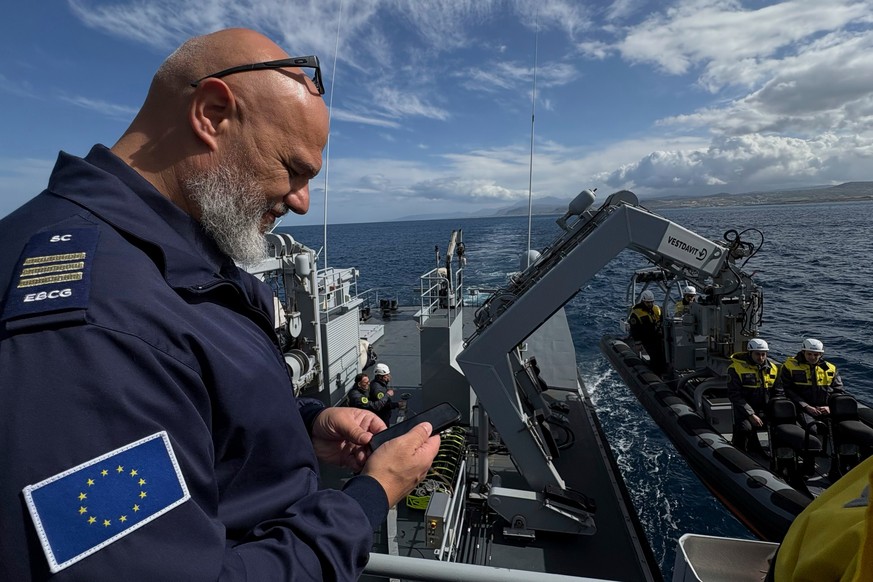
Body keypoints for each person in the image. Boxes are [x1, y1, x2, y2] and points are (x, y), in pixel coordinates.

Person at [0, 28, 440, 581]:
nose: (302, 202)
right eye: (294, 168)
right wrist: (371, 496)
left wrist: (301, 423)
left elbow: (187, 418)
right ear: (210, 113)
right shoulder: (91, 328)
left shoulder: (163, 253)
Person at [727, 338, 783, 452]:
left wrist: (776, 411)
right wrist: (751, 414)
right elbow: (735, 395)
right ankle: (739, 451)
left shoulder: (773, 369)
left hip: (766, 409)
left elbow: (779, 392)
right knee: (745, 429)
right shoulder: (735, 369)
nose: (761, 358)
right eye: (757, 354)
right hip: (744, 410)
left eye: (763, 354)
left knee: (780, 427)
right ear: (750, 353)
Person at [781, 338, 843, 435]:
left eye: (816, 354)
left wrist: (829, 407)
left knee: (839, 428)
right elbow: (787, 389)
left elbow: (838, 390)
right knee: (812, 429)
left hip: (825, 409)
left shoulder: (831, 368)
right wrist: (806, 406)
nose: (812, 357)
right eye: (809, 354)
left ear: (821, 354)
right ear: (803, 352)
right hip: (802, 408)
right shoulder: (789, 366)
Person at [628, 289, 666, 374]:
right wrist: (638, 343)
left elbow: (663, 320)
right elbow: (635, 330)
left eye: (651, 302)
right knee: (655, 357)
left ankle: (663, 371)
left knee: (663, 356)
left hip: (658, 337)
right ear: (643, 301)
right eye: (648, 302)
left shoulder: (657, 309)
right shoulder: (636, 313)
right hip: (647, 340)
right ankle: (656, 373)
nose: (650, 304)